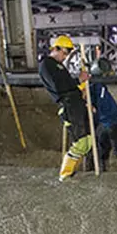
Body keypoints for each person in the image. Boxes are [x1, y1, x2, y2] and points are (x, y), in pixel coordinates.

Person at [39, 35, 92, 181]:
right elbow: (59, 86)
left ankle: (72, 172)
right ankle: (65, 175)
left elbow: (68, 85)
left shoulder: (60, 66)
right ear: (55, 49)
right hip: (69, 106)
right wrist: (77, 80)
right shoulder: (47, 65)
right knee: (81, 143)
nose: (66, 56)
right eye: (64, 52)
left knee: (88, 142)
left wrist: (81, 86)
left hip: (76, 104)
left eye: (68, 53)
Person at [87, 58, 117, 172]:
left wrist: (91, 106)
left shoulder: (98, 87)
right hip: (103, 122)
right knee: (102, 147)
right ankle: (102, 168)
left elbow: (97, 107)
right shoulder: (91, 87)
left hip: (114, 121)